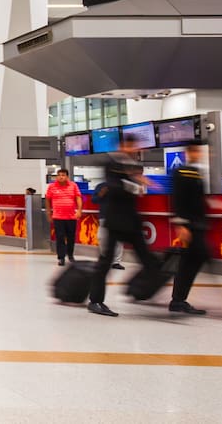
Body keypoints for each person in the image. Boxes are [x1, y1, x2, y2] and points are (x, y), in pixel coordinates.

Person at [87, 134, 162, 317]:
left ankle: (137, 290)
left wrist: (137, 183)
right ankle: (95, 301)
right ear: (122, 146)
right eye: (130, 146)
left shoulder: (133, 166)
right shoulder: (111, 163)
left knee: (148, 259)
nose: (133, 149)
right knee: (105, 262)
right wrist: (137, 185)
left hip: (131, 221)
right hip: (114, 221)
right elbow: (113, 187)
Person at [169, 145, 211, 315]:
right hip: (189, 225)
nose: (198, 154)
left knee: (192, 260)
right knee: (193, 260)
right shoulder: (181, 172)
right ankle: (178, 300)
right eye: (195, 151)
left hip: (198, 224)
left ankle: (178, 300)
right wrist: (180, 225)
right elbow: (177, 199)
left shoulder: (196, 172)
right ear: (188, 153)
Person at [46, 169, 83, 266]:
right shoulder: (52, 187)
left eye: (63, 175)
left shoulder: (73, 185)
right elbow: (48, 200)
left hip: (71, 217)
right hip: (58, 217)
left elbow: (78, 198)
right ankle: (61, 257)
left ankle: (70, 255)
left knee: (71, 237)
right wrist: (48, 213)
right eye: (59, 175)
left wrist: (79, 210)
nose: (60, 177)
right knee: (60, 238)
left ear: (67, 176)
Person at [91, 181, 125, 270]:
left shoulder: (122, 185)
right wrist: (101, 193)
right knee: (101, 238)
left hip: (118, 216)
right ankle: (104, 258)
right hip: (104, 216)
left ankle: (116, 262)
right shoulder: (101, 185)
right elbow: (94, 200)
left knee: (118, 240)